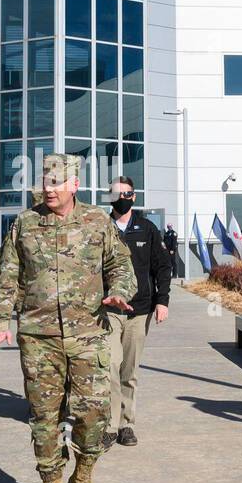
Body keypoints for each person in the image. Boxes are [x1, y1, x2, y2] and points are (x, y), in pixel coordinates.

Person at [0, 154, 136, 483]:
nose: (49, 189)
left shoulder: (97, 221)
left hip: (88, 334)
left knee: (94, 414)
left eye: (57, 182)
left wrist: (117, 292)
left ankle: (82, 477)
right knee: (44, 419)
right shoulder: (25, 223)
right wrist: (2, 320)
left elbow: (121, 265)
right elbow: (6, 275)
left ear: (74, 185)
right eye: (45, 182)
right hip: (38, 338)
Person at [102, 177, 171, 449]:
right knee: (109, 366)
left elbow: (162, 267)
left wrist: (162, 301)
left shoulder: (147, 229)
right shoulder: (102, 228)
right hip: (109, 310)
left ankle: (126, 424)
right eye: (117, 193)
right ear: (111, 197)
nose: (123, 197)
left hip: (140, 310)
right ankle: (109, 424)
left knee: (129, 370)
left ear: (134, 196)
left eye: (127, 193)